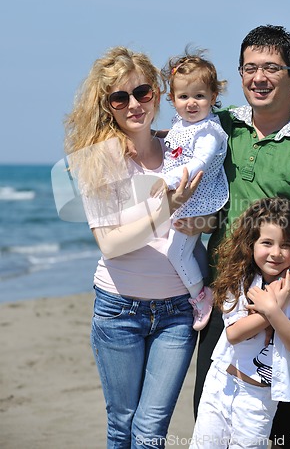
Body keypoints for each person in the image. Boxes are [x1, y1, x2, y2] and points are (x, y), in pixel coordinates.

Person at [190, 25, 290, 447]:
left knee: (289, 429)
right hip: (227, 297)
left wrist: (277, 303)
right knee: (214, 419)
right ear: (239, 74)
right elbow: (172, 150)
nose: (259, 77)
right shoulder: (221, 128)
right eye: (250, 68)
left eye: (272, 68)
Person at [63, 46, 203, 449]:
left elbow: (204, 219)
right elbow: (111, 244)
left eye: (142, 92)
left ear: (157, 93)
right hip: (119, 309)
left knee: (151, 430)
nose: (134, 104)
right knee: (122, 424)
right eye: (120, 98)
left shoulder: (181, 147)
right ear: (107, 105)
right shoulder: (98, 159)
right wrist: (167, 209)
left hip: (178, 311)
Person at [190, 197, 290, 448]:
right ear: (252, 243)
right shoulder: (241, 277)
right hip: (220, 385)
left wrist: (272, 309)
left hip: (259, 398)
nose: (276, 253)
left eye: (286, 245)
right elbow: (234, 334)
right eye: (267, 243)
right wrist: (273, 310)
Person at [153, 49, 229, 331]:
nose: (192, 103)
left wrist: (167, 181)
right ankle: (204, 280)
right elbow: (177, 143)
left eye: (199, 96)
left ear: (213, 97)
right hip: (187, 198)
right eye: (184, 97)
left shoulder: (208, 131)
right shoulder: (182, 124)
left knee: (176, 252)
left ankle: (200, 296)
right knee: (189, 245)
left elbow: (199, 162)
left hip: (201, 199)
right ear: (172, 100)